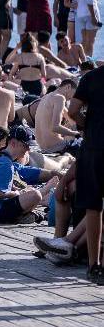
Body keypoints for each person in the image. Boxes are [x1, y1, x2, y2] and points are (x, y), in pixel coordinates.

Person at [0, 126, 61, 224]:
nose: (28, 150)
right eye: (25, 146)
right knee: (35, 195)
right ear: (13, 143)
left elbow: (33, 173)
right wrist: (17, 193)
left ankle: (22, 216)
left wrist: (60, 175)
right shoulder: (4, 163)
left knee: (31, 192)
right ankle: (20, 216)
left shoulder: (1, 158)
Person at [70, 65, 104, 283]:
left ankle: (94, 265)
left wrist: (86, 125)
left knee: (94, 208)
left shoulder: (91, 78)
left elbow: (72, 110)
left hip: (95, 146)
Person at [26, 79, 81, 153]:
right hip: (56, 146)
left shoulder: (47, 96)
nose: (72, 98)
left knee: (73, 127)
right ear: (68, 87)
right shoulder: (60, 98)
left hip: (43, 147)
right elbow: (55, 127)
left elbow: (72, 120)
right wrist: (76, 134)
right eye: (74, 93)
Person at [10, 33, 47, 99]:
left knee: (6, 83)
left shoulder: (20, 57)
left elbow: (11, 73)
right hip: (37, 87)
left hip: (24, 87)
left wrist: (15, 79)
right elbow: (44, 75)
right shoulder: (40, 57)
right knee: (47, 84)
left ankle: (20, 94)